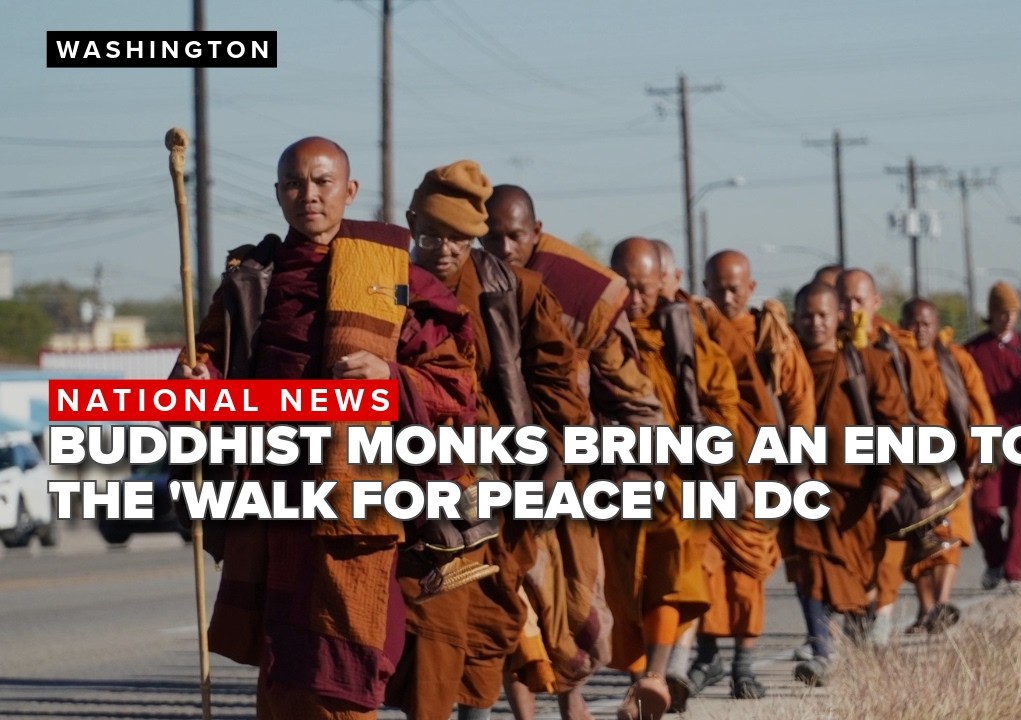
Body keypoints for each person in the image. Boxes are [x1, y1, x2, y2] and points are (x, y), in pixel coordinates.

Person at [172, 136, 480, 720]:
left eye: (322, 182)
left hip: (358, 499)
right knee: (283, 665)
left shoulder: (394, 276)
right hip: (275, 492)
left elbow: (457, 387)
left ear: (349, 190)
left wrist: (390, 376)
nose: (307, 195)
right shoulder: (253, 280)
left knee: (346, 673)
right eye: (293, 183)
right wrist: (195, 379)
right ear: (278, 193)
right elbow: (208, 362)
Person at [385, 160, 591, 720]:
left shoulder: (515, 291)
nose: (445, 250)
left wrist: (551, 457)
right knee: (431, 616)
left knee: (489, 620)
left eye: (458, 238)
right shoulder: (388, 291)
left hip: (503, 483)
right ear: (410, 225)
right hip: (424, 484)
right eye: (431, 235)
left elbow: (557, 383)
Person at [482, 184, 666, 719]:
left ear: (535, 234)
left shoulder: (579, 294)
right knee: (514, 601)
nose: (503, 247)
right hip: (492, 469)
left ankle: (571, 698)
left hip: (570, 478)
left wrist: (638, 466)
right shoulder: (462, 284)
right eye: (491, 236)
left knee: (572, 599)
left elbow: (632, 395)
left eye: (514, 236)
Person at [605, 236, 745, 720]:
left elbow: (722, 402)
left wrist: (727, 469)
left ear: (661, 284)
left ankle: (656, 676)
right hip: (614, 477)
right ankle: (639, 679)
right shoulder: (598, 330)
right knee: (625, 586)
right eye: (625, 287)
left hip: (676, 479)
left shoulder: (681, 335)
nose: (635, 299)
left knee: (671, 574)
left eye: (643, 288)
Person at [684, 250, 816, 700]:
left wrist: (797, 463)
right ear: (704, 287)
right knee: (702, 567)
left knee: (748, 572)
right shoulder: (691, 328)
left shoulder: (770, 336)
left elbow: (799, 401)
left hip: (758, 472)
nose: (725, 297)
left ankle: (743, 663)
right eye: (716, 288)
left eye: (734, 288)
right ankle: (707, 657)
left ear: (752, 288)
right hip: (701, 467)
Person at [784, 282, 908, 685]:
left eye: (823, 315)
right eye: (806, 315)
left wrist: (891, 478)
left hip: (855, 493)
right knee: (808, 567)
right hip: (801, 485)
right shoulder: (785, 362)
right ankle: (822, 651)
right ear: (795, 317)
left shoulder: (868, 364)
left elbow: (894, 423)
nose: (814, 323)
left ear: (840, 316)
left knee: (854, 578)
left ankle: (851, 636)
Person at [834, 268, 924, 644]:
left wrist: (894, 474)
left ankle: (882, 618)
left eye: (859, 301)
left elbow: (915, 405)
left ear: (876, 303)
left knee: (886, 550)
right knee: (845, 553)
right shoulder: (823, 344)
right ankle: (856, 616)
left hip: (888, 461)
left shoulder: (892, 346)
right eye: (844, 302)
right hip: (839, 467)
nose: (851, 309)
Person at [898, 298, 996, 632]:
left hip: (951, 457)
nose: (919, 330)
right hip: (909, 459)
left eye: (926, 323)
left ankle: (940, 604)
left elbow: (979, 404)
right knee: (917, 534)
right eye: (912, 323)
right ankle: (926, 609)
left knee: (951, 531)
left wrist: (983, 450)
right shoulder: (894, 359)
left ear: (936, 326)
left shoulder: (956, 359)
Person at [964, 281, 1021, 593]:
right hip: (986, 436)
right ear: (990, 314)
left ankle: (1016, 573)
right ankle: (995, 558)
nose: (1007, 318)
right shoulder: (972, 351)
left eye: (1013, 312)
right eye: (1001, 312)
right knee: (984, 507)